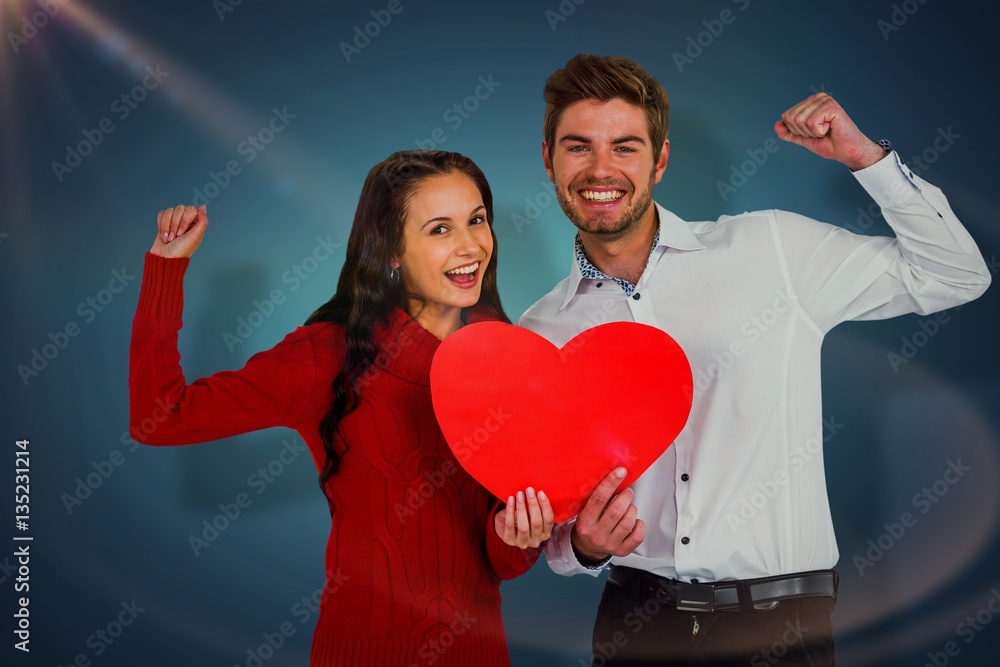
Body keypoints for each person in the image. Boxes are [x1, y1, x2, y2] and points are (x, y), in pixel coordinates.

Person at [518, 54, 992, 665]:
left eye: (626, 147)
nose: (601, 169)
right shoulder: (542, 331)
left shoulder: (770, 248)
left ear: (660, 160)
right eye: (579, 147)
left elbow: (956, 275)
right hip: (634, 623)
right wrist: (581, 547)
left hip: (780, 627)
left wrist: (864, 160)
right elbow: (557, 528)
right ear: (548, 160)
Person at [128, 149, 554, 666]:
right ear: (391, 251)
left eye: (477, 220)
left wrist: (522, 536)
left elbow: (500, 563)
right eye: (439, 229)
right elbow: (159, 417)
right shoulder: (327, 354)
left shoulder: (505, 352)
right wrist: (165, 271)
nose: (470, 247)